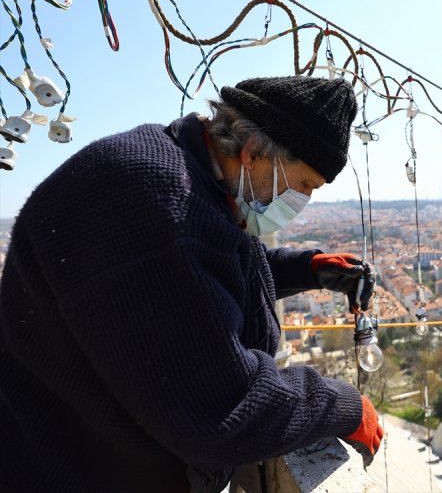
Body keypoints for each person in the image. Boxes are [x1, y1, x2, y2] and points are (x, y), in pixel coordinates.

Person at [0, 76, 383, 492]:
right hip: (79, 472)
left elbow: (204, 277)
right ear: (255, 153)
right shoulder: (162, 209)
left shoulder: (185, 172)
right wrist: (345, 405)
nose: (304, 201)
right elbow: (222, 408)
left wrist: (307, 269)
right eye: (306, 184)